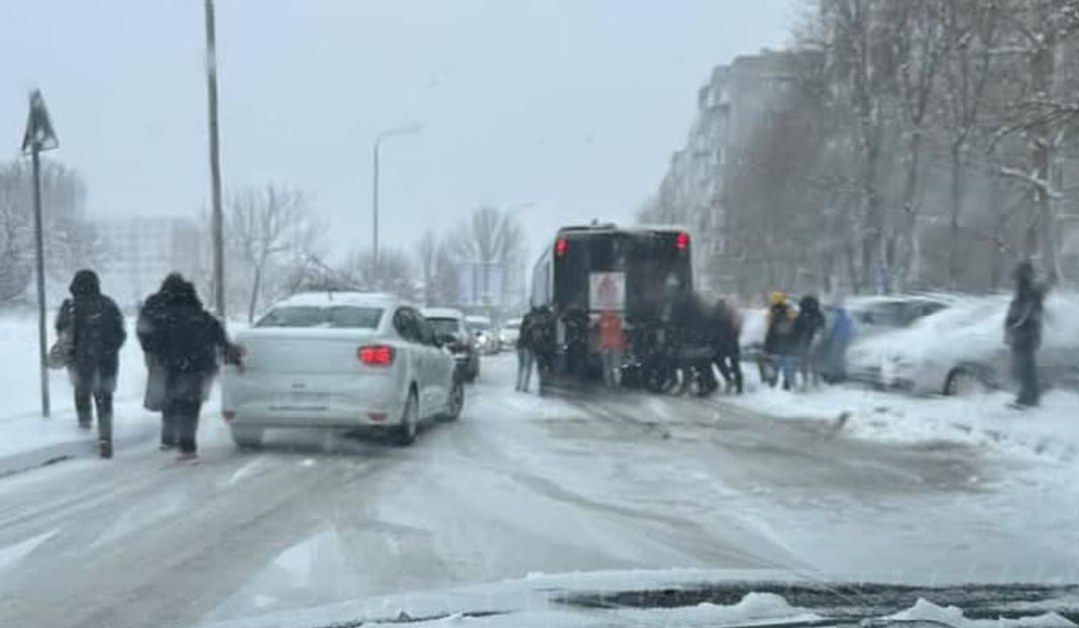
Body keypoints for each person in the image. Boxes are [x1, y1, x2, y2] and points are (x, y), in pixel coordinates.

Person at [142, 275, 238, 461]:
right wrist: (234, 358)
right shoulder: (202, 316)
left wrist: (160, 356)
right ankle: (188, 446)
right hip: (200, 368)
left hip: (173, 367)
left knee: (173, 401)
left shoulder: (165, 318)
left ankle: (170, 438)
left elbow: (153, 342)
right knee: (191, 406)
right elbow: (220, 338)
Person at [55, 269, 126, 458]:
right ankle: (105, 439)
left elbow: (61, 330)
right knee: (104, 400)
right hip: (106, 362)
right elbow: (120, 334)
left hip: (80, 362)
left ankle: (84, 426)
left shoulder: (70, 306)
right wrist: (108, 350)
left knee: (81, 393)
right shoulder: (108, 305)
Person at [137, 273, 183, 449]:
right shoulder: (186, 304)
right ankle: (178, 434)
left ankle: (168, 436)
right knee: (180, 395)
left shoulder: (153, 303)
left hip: (159, 357)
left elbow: (142, 328)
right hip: (182, 356)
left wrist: (149, 347)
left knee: (167, 395)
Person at [1004, 260, 1046, 407]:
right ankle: (1027, 396)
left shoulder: (1028, 293)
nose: (1015, 282)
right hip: (1024, 335)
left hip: (1025, 335)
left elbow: (1024, 315)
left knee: (1025, 368)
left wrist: (1013, 326)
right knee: (1024, 367)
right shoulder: (1028, 292)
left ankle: (1029, 397)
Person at [763, 291, 798, 391]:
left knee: (775, 365)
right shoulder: (790, 311)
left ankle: (773, 383)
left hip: (777, 345)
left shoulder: (775, 313)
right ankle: (787, 384)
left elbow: (771, 331)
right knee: (788, 366)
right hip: (789, 346)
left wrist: (767, 347)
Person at [792, 295, 827, 388]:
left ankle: (806, 381)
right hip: (815, 342)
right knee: (814, 361)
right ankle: (815, 380)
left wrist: (794, 342)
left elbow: (796, 330)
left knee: (805, 362)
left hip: (805, 342)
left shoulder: (802, 315)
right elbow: (822, 328)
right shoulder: (818, 315)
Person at [711, 299, 744, 394]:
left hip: (722, 345)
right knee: (735, 364)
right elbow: (737, 329)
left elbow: (715, 330)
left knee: (719, 361)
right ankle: (739, 386)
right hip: (733, 343)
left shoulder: (716, 315)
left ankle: (728, 379)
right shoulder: (733, 315)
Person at [819, 302, 854, 384]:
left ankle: (831, 376)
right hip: (845, 340)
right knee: (840, 357)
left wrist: (827, 337)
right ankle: (841, 374)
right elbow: (852, 329)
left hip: (837, 339)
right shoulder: (847, 317)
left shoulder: (836, 316)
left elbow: (831, 328)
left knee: (832, 358)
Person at [597, 308, 626, 388]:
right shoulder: (617, 320)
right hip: (615, 346)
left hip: (606, 346)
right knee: (615, 366)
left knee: (607, 366)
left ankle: (609, 383)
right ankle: (616, 383)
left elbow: (598, 326)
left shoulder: (602, 321)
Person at [515, 309, 536, 392]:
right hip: (528, 347)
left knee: (521, 366)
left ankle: (518, 384)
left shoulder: (522, 327)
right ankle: (525, 386)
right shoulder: (532, 328)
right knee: (528, 367)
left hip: (520, 346)